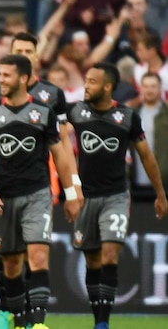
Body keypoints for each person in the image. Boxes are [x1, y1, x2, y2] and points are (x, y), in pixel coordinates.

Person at [0, 54, 81, 329]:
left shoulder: (43, 113)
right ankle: (20, 323)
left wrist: (70, 194)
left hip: (37, 194)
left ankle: (39, 323)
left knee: (38, 255)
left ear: (23, 78)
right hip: (3, 196)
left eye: (6, 75)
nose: (0, 80)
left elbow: (61, 156)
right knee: (10, 264)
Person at [67, 62, 168, 329]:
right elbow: (54, 140)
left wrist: (160, 194)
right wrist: (70, 189)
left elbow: (146, 155)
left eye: (92, 82)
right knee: (93, 260)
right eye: (86, 80)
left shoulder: (127, 116)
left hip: (116, 195)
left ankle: (103, 323)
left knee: (110, 254)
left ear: (108, 86)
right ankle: (97, 314)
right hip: (86, 197)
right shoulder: (76, 112)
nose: (86, 86)